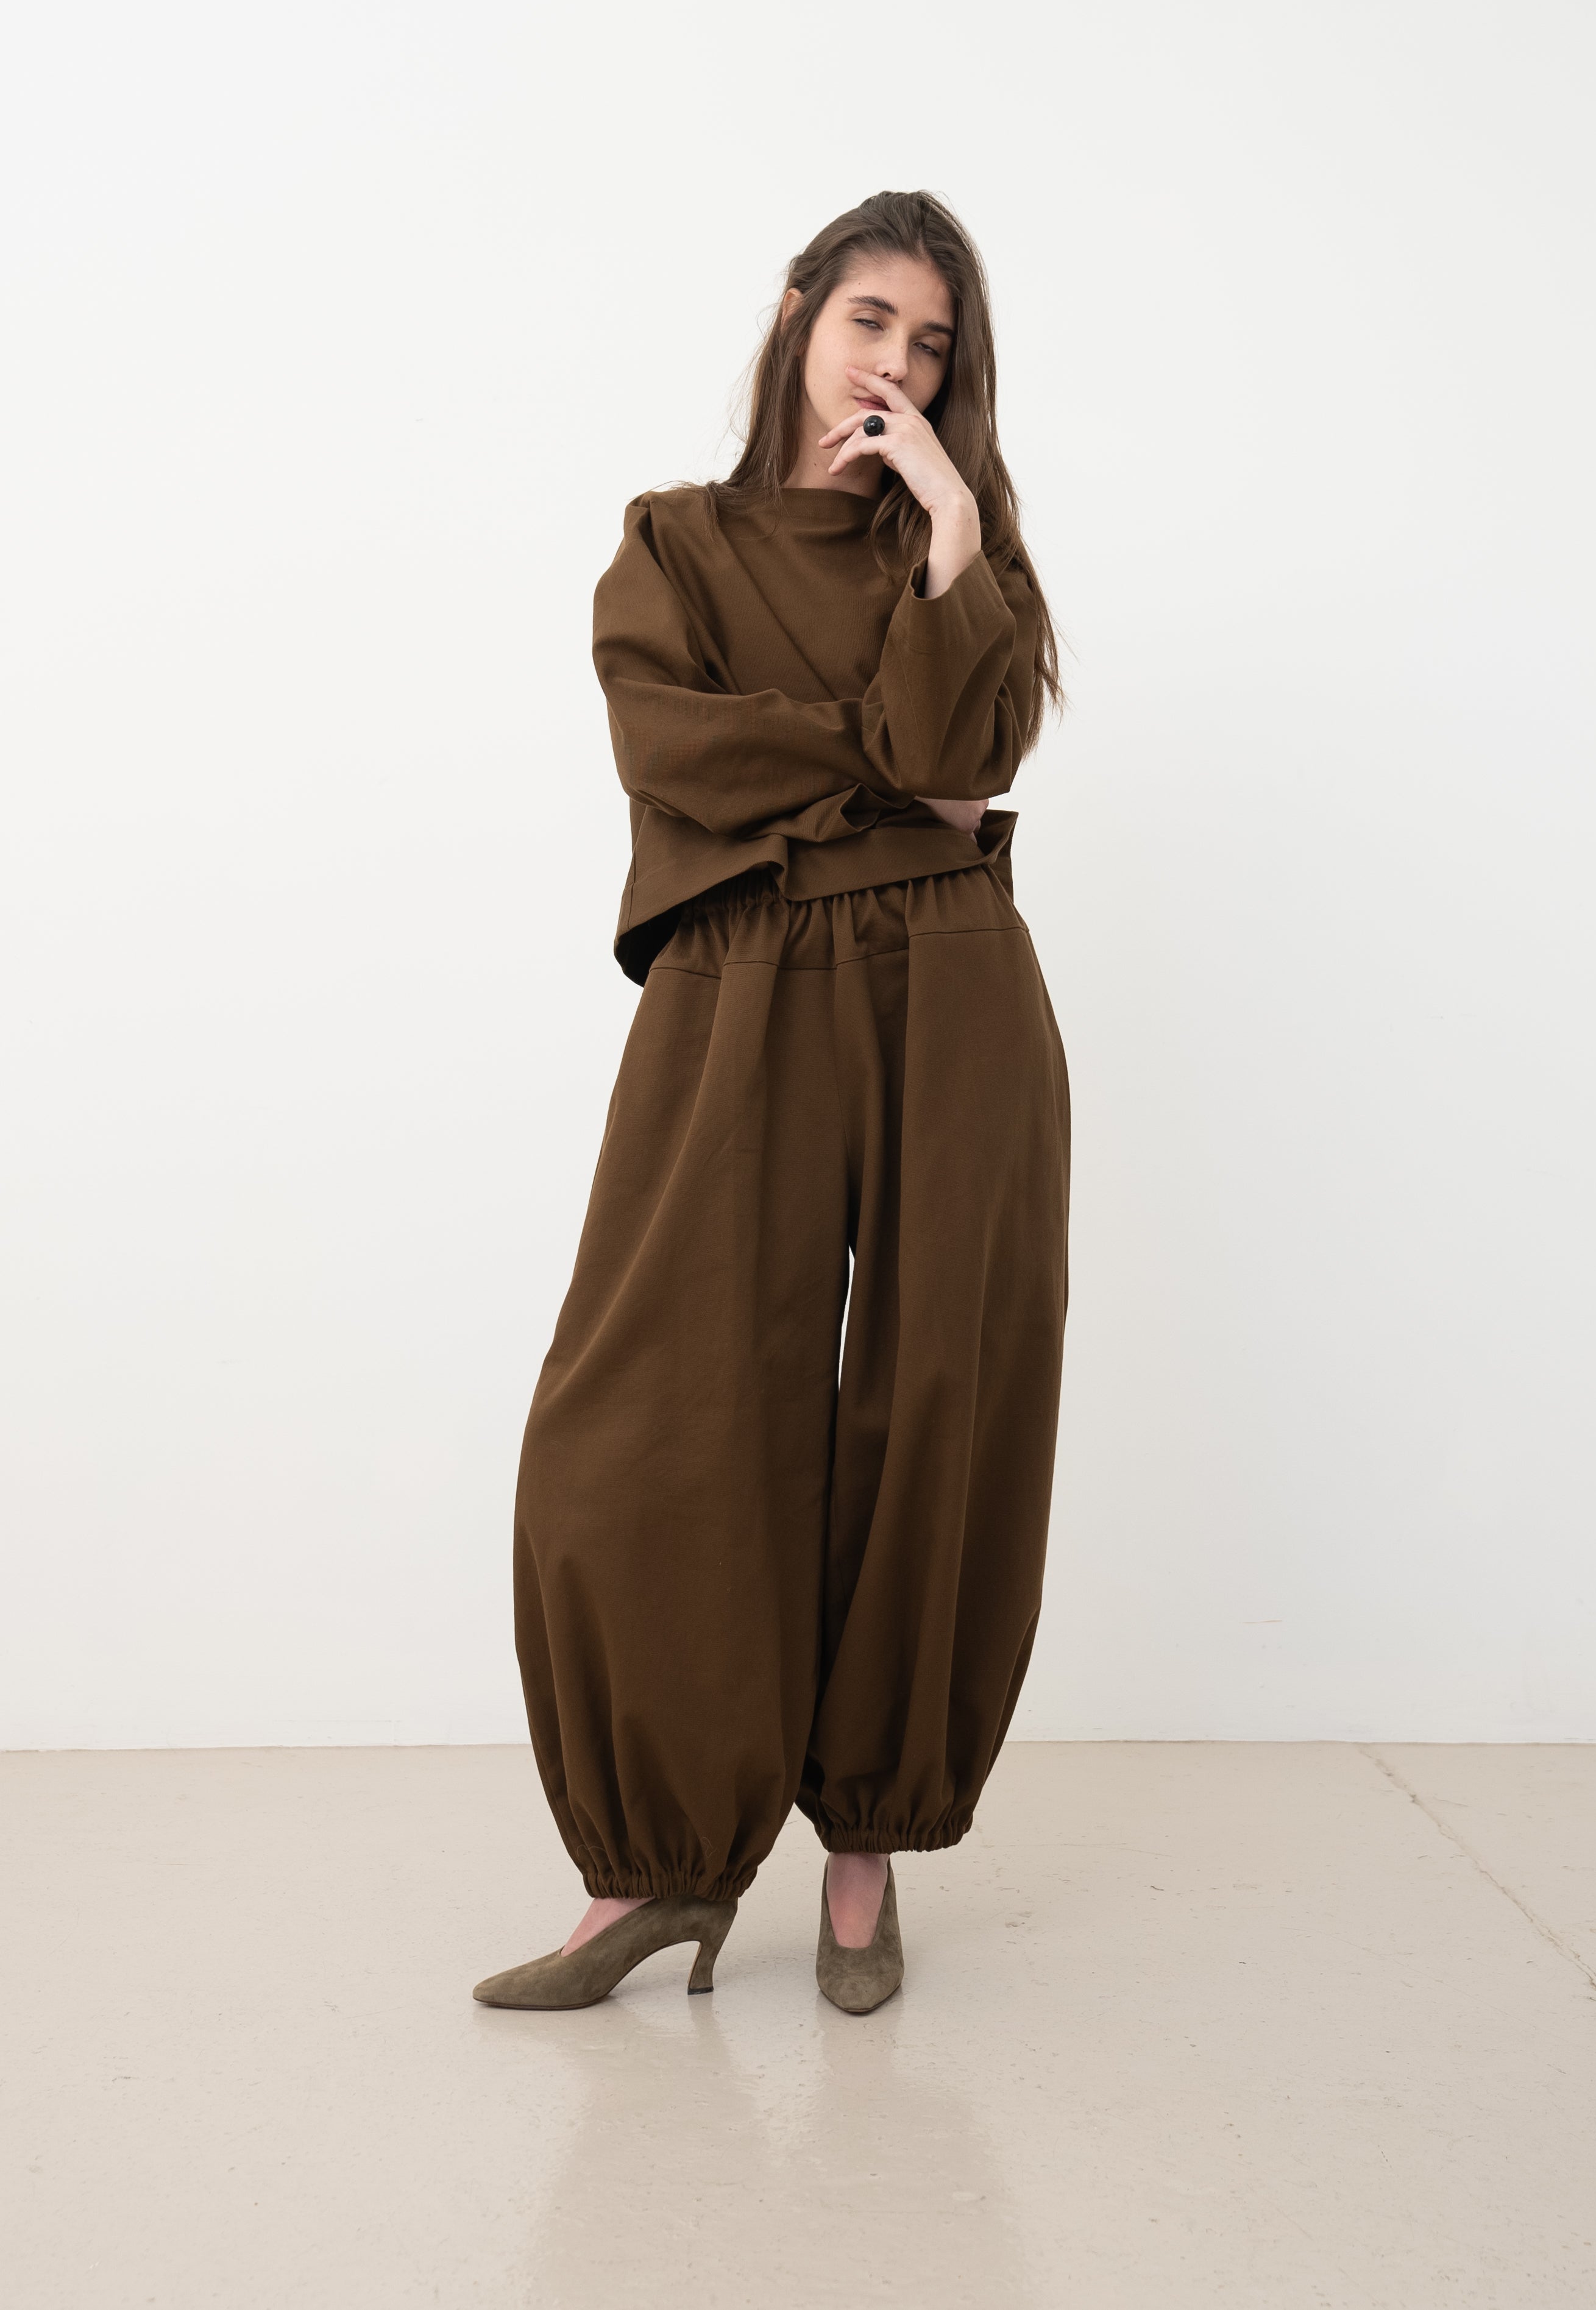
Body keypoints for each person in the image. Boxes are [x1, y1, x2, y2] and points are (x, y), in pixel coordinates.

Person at [474, 190, 1071, 2017]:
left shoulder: (964, 554)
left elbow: (963, 765)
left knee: (929, 1399)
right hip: (736, 986)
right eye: (871, 319)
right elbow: (680, 752)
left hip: (952, 986)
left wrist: (953, 536)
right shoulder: (675, 542)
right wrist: (886, 762)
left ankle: (865, 1858)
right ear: (802, 310)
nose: (895, 365)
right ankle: (652, 1867)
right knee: (649, 1402)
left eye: (933, 347)